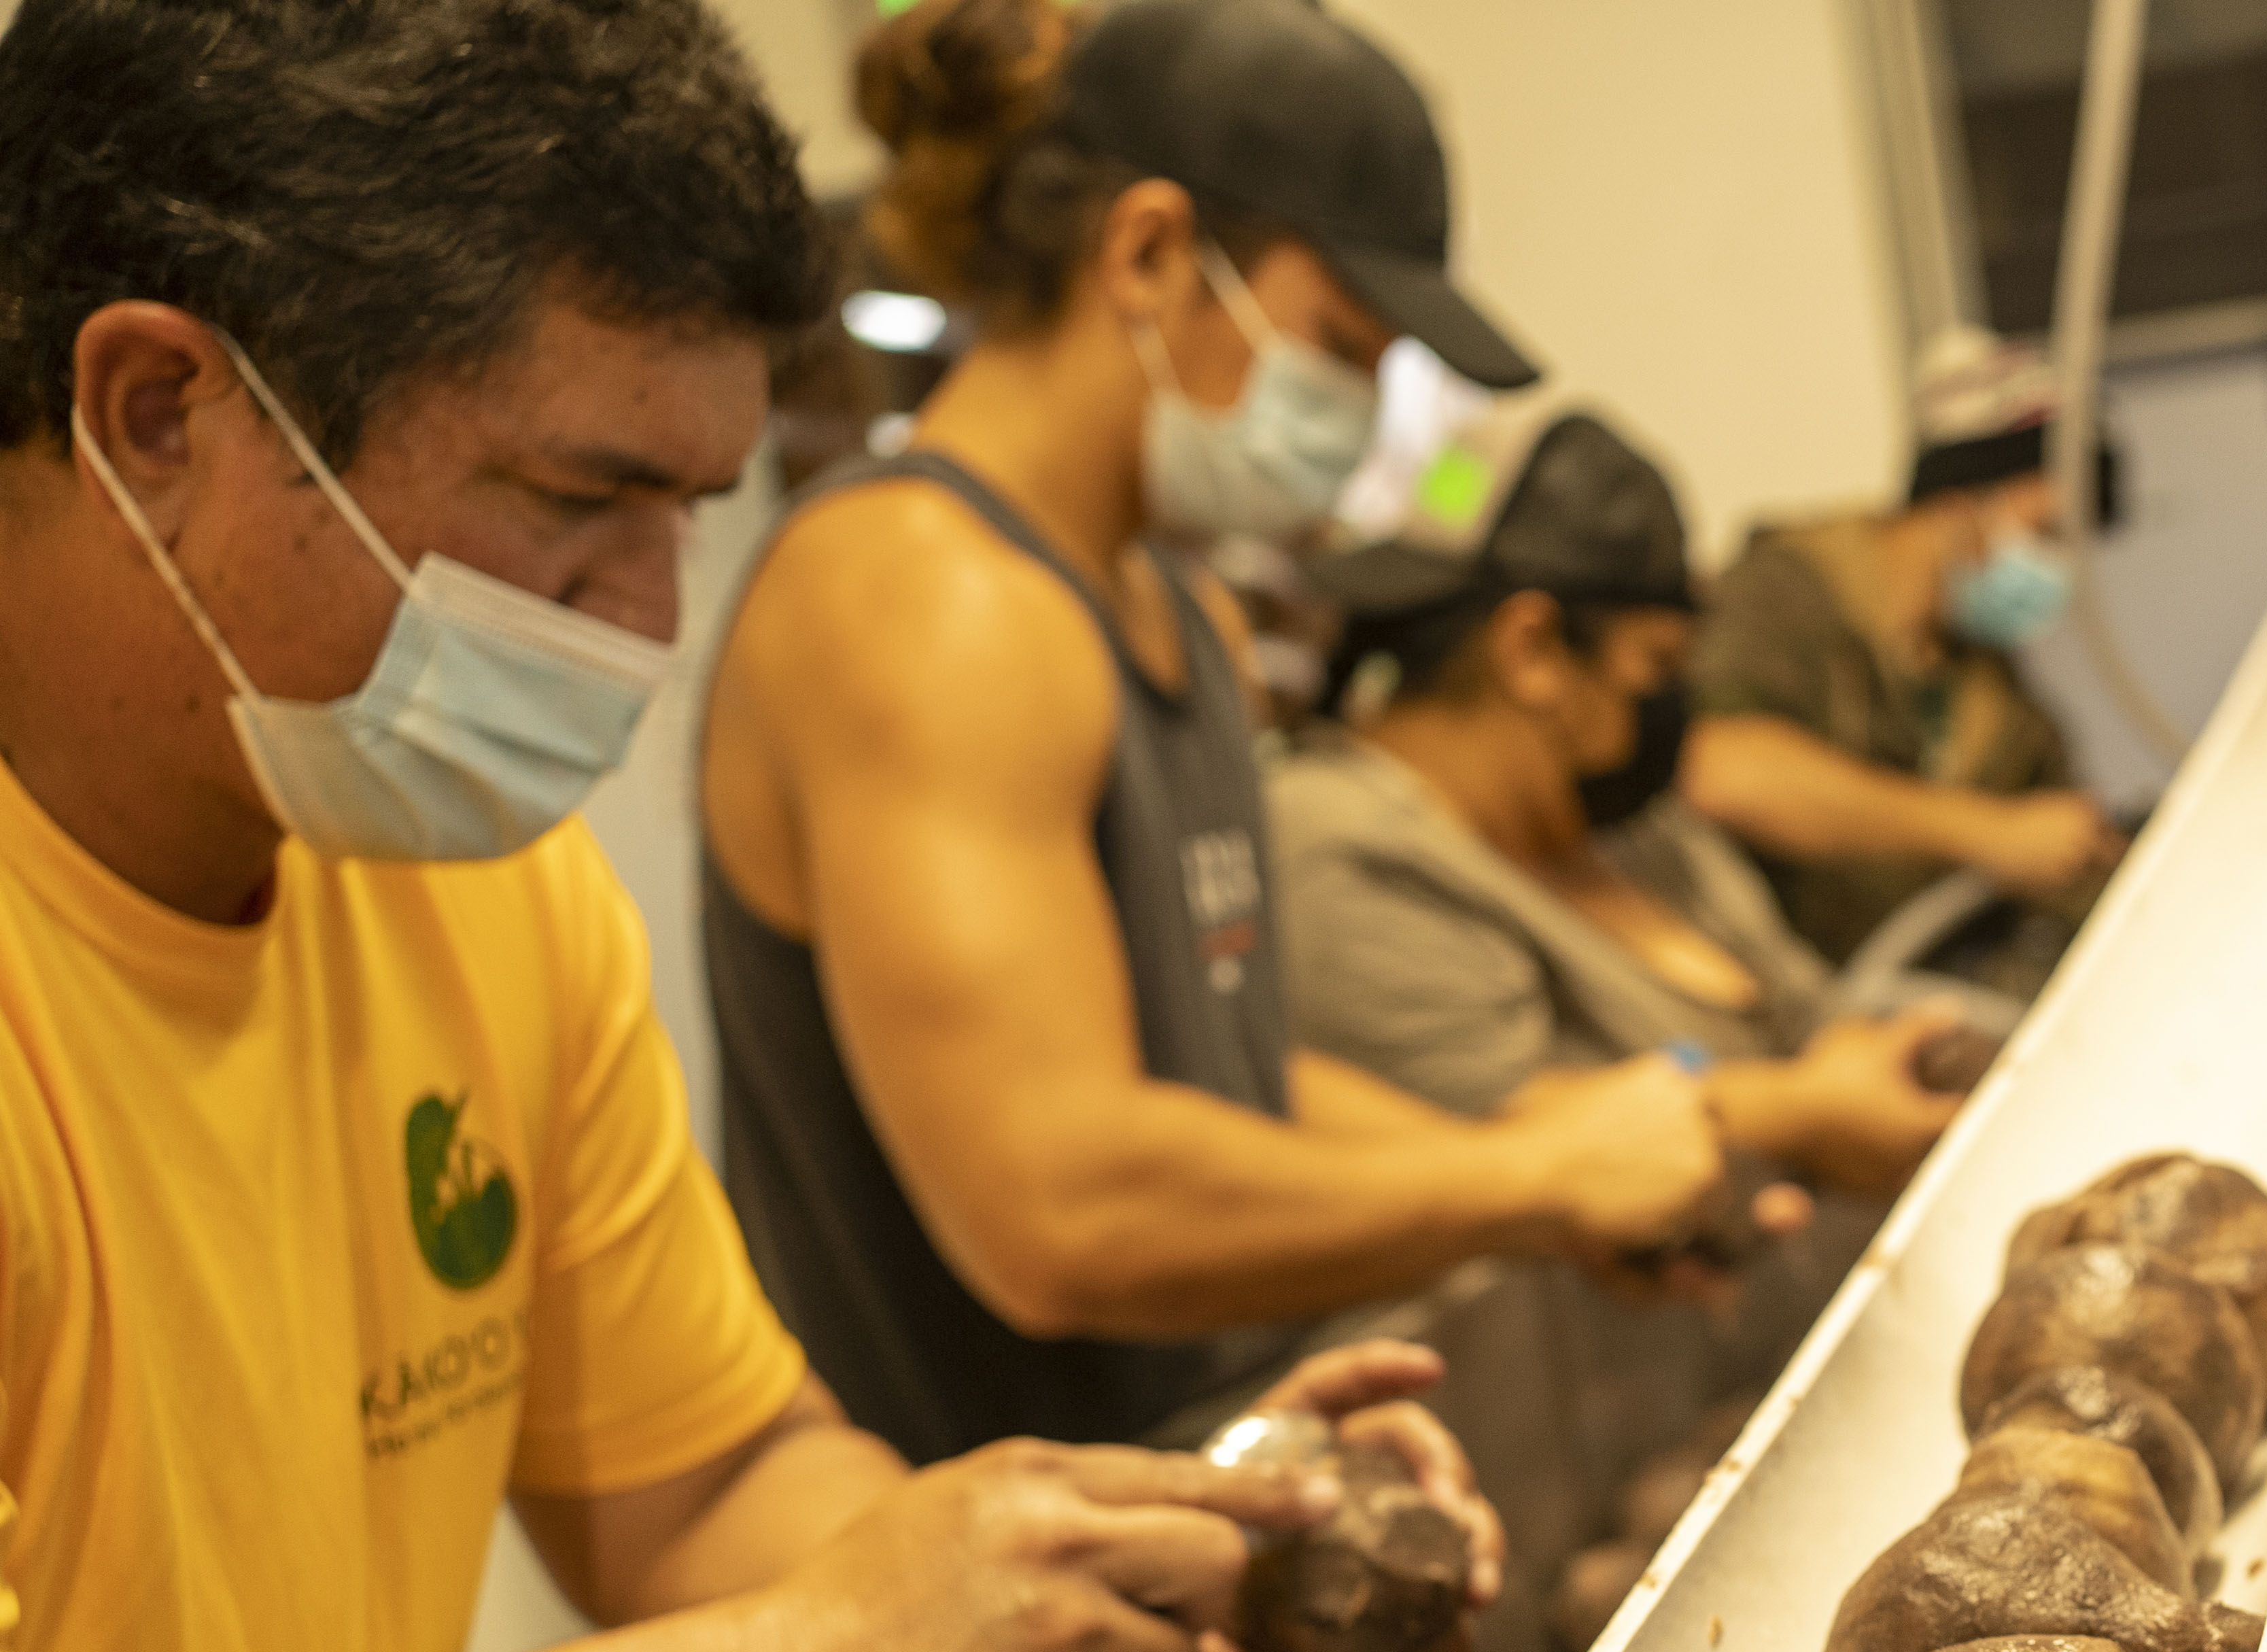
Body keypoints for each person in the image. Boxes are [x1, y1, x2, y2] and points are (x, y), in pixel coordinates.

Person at [0, 0, 1497, 1652]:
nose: (642, 618)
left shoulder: (471, 904)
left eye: (689, 510)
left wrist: (1116, 1563)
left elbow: (699, 1494)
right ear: (160, 408)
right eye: (574, 504)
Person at [702, 0, 1732, 1468]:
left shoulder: (1180, 609)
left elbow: (1223, 1081)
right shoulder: (926, 600)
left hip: (1215, 1510)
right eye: (1340, 344)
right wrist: (1524, 1181)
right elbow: (1063, 1205)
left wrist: (1546, 1169)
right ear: (1149, 254)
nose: (1364, 409)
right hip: (1000, 1589)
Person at [1275, 400, 1967, 1198]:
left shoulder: (1629, 821)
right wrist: (1804, 1111)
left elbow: (1805, 1005)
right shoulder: (1340, 848)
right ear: (1531, 651)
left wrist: (1872, 1069)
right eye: (1656, 663)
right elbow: (1511, 1138)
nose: (1669, 705)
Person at [1678, 330, 2126, 966]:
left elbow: (2061, 843)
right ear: (1958, 502)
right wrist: (1983, 833)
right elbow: (1725, 771)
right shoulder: (1787, 597)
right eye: (2045, 532)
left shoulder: (1991, 694)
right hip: (1776, 1020)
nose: (2056, 568)